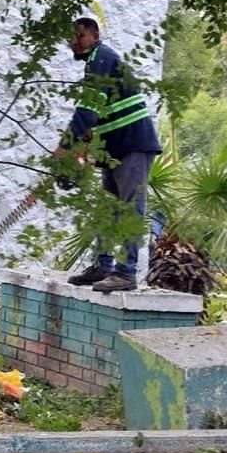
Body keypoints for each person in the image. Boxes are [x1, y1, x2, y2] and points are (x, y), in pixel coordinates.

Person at [54, 17, 162, 292]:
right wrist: (83, 148)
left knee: (129, 209)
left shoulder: (102, 56)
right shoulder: (95, 64)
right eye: (71, 38)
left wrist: (65, 146)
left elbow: (89, 107)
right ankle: (103, 266)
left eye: (80, 36)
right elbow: (96, 117)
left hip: (133, 145)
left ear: (95, 36)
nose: (74, 42)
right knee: (107, 208)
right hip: (114, 149)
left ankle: (126, 273)